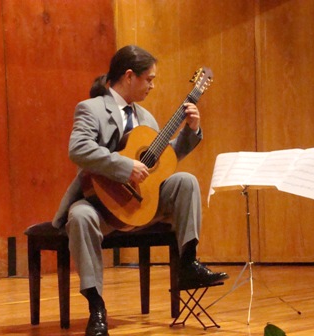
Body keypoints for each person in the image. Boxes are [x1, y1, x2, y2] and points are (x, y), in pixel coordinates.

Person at [52, 45, 228, 336]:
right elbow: (78, 149)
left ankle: (188, 262)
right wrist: (123, 166)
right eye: (149, 79)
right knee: (79, 216)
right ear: (129, 76)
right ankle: (96, 306)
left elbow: (159, 161)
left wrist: (190, 131)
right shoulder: (91, 108)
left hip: (141, 204)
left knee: (186, 181)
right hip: (100, 205)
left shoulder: (146, 118)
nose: (152, 85)